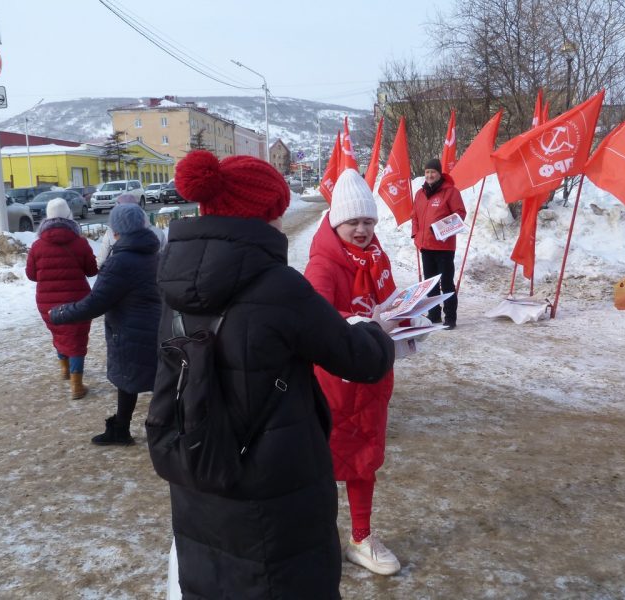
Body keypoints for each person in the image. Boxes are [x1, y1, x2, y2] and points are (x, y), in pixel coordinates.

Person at [156, 150, 395, 598]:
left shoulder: (172, 281)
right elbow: (361, 359)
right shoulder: (278, 285)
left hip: (200, 464)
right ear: (264, 215)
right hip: (274, 479)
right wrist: (375, 329)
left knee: (215, 575)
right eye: (279, 212)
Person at [304, 168, 402, 576]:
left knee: (365, 461)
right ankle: (317, 541)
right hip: (335, 382)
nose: (362, 230)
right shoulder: (322, 265)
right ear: (336, 222)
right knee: (323, 465)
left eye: (368, 222)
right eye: (353, 222)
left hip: (372, 375)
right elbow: (315, 322)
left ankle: (361, 538)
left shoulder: (376, 257)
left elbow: (389, 301)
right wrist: (365, 325)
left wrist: (407, 319)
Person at [50, 203, 161, 445]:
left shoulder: (120, 261)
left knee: (130, 378)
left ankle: (142, 431)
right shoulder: (153, 253)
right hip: (156, 328)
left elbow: (95, 303)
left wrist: (60, 313)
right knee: (148, 380)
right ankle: (132, 429)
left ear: (116, 230)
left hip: (130, 332)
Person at [26, 197, 98, 399]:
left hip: (46, 302)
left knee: (60, 333)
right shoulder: (80, 243)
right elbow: (92, 271)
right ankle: (77, 386)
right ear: (69, 216)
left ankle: (65, 369)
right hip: (78, 302)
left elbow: (31, 275)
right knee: (76, 339)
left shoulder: (37, 246)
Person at [411, 157, 467, 329]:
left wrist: (440, 229)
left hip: (444, 247)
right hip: (425, 246)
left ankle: (450, 317)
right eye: (427, 172)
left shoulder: (451, 192)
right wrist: (416, 234)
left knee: (446, 283)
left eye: (433, 172)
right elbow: (415, 216)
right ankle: (434, 314)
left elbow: (460, 214)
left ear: (439, 173)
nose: (429, 175)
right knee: (430, 283)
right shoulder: (419, 194)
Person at [95, 193, 165, 268]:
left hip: (120, 272)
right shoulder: (157, 232)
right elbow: (165, 260)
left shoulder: (111, 233)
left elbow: (101, 260)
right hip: (152, 273)